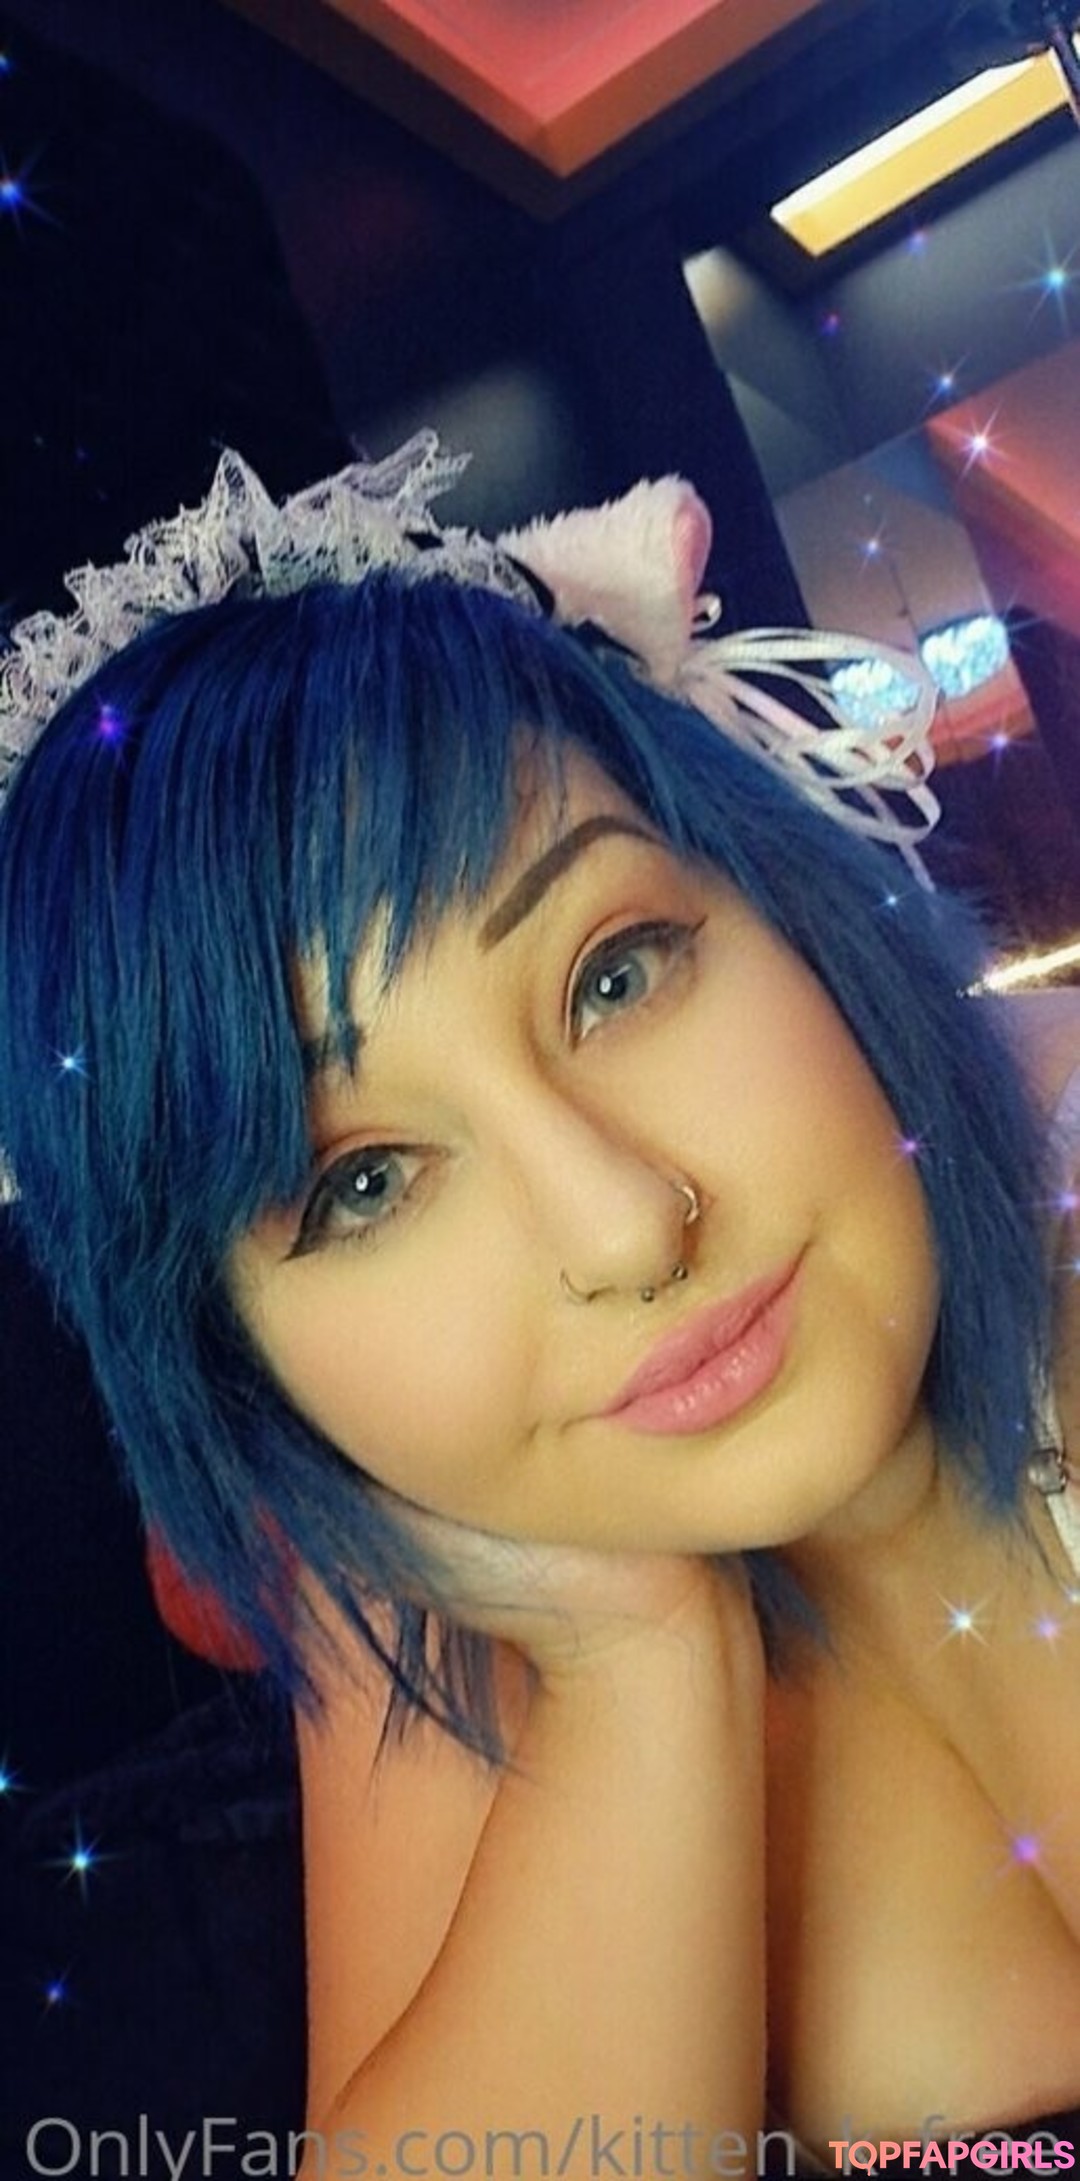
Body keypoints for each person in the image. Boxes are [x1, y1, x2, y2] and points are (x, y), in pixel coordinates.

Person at [0, 434, 1078, 2178]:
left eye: (616, 972)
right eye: (362, 1183)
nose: (628, 1225)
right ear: (238, 1360)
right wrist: (631, 1659)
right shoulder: (434, 1632)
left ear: (776, 898)